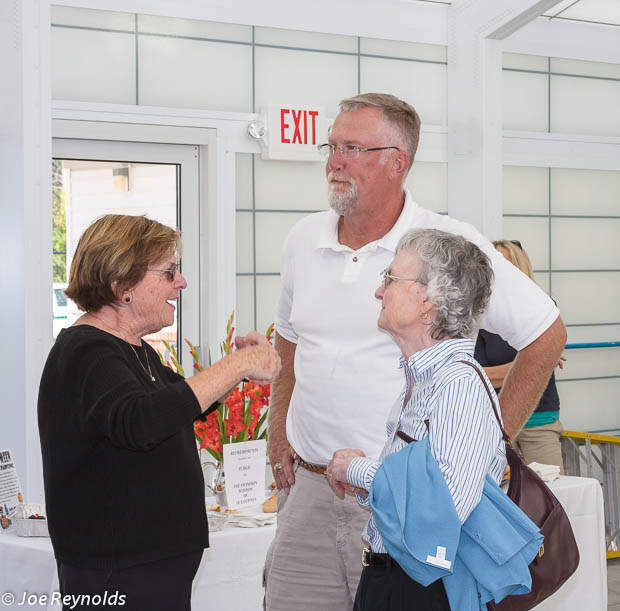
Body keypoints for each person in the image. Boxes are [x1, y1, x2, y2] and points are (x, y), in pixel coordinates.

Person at [264, 93, 566, 611]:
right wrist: (275, 429)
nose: (334, 162)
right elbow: (288, 343)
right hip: (309, 495)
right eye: (332, 146)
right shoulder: (302, 239)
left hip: (406, 510)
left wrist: (491, 444)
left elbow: (546, 333)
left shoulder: (446, 243)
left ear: (396, 162)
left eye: (352, 148)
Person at [38, 214, 281, 611]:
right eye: (169, 272)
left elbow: (181, 404)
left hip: (148, 569)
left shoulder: (133, 349)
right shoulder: (87, 352)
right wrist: (237, 367)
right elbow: (143, 421)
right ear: (122, 285)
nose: (180, 282)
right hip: (117, 573)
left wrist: (239, 366)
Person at [327, 229, 514, 610]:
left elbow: (445, 505)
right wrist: (371, 481)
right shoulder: (425, 379)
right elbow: (421, 490)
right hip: (394, 580)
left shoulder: (458, 385)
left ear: (429, 301)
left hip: (426, 589)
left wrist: (360, 471)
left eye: (390, 279)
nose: (379, 292)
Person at [475, 239, 565, 472]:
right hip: (494, 424)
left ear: (520, 268)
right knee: (502, 499)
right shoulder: (476, 314)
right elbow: (474, 373)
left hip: (539, 423)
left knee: (552, 496)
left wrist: (539, 360)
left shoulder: (541, 307)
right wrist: (536, 361)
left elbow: (477, 374)